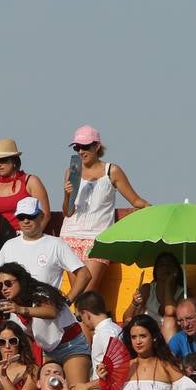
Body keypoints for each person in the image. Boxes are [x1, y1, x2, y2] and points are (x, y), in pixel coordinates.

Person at [59, 125, 149, 292]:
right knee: (79, 294)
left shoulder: (112, 171)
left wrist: (153, 210)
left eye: (85, 146)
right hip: (70, 236)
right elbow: (68, 212)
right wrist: (66, 195)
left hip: (97, 239)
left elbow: (135, 200)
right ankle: (79, 318)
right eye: (77, 147)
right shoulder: (71, 171)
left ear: (97, 146)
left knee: (87, 292)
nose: (80, 151)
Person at [0, 139, 53, 252]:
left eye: (2, 160)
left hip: (27, 243)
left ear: (14, 161)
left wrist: (31, 239)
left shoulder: (31, 181)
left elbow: (45, 214)